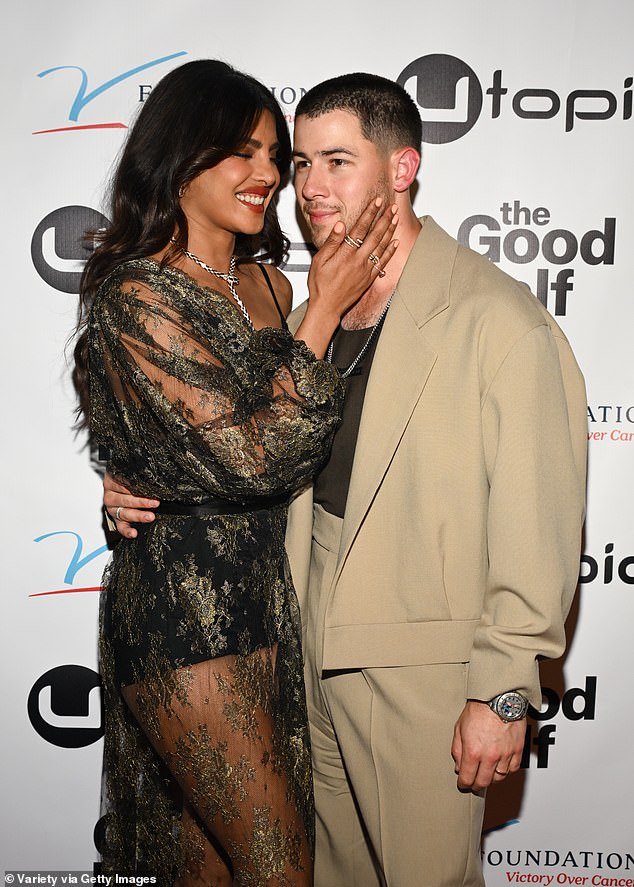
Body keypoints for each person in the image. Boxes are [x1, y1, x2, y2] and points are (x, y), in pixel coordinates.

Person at [105, 72, 587, 886]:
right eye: (300, 164)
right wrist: (138, 474)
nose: (308, 187)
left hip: (420, 678)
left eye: (336, 161)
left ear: (401, 169)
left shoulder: (496, 318)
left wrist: (504, 690)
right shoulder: (300, 318)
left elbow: (538, 525)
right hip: (293, 659)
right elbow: (231, 440)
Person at [75, 60, 398, 886]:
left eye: (273, 155)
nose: (265, 175)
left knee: (212, 872)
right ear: (181, 158)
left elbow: (271, 431)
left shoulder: (270, 281)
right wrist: (323, 313)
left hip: (267, 602)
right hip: (183, 616)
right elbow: (249, 455)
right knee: (279, 867)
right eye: (238, 153)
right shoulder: (136, 295)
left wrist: (307, 304)